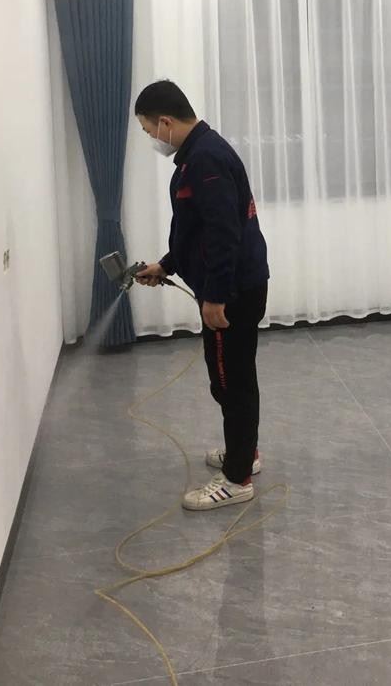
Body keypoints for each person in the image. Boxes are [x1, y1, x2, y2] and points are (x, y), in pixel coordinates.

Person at [134, 80, 269, 511]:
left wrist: (216, 296)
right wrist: (166, 265)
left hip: (232, 291)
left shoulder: (205, 158)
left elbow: (223, 233)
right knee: (231, 378)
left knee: (231, 382)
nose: (152, 138)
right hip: (232, 286)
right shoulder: (198, 154)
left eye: (149, 130)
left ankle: (237, 479)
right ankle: (245, 452)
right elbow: (194, 229)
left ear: (166, 122)